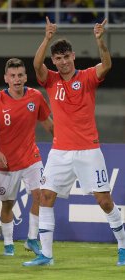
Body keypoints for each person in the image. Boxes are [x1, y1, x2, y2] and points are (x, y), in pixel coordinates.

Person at [23, 17, 125, 266]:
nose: (63, 61)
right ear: (54, 61)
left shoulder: (88, 77)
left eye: (66, 56)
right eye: (58, 58)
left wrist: (100, 41)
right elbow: (36, 65)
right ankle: (46, 255)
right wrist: (46, 38)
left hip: (89, 150)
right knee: (46, 197)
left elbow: (107, 65)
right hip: (60, 151)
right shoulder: (51, 80)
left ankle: (123, 245)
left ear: (73, 56)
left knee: (104, 201)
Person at [0, 58, 53, 257]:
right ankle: (8, 243)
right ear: (6, 78)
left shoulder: (36, 97)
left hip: (31, 158)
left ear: (25, 76)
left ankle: (32, 239)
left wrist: (62, 141)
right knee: (8, 204)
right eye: (13, 76)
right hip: (7, 163)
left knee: (41, 195)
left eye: (20, 75)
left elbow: (47, 123)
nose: (17, 79)